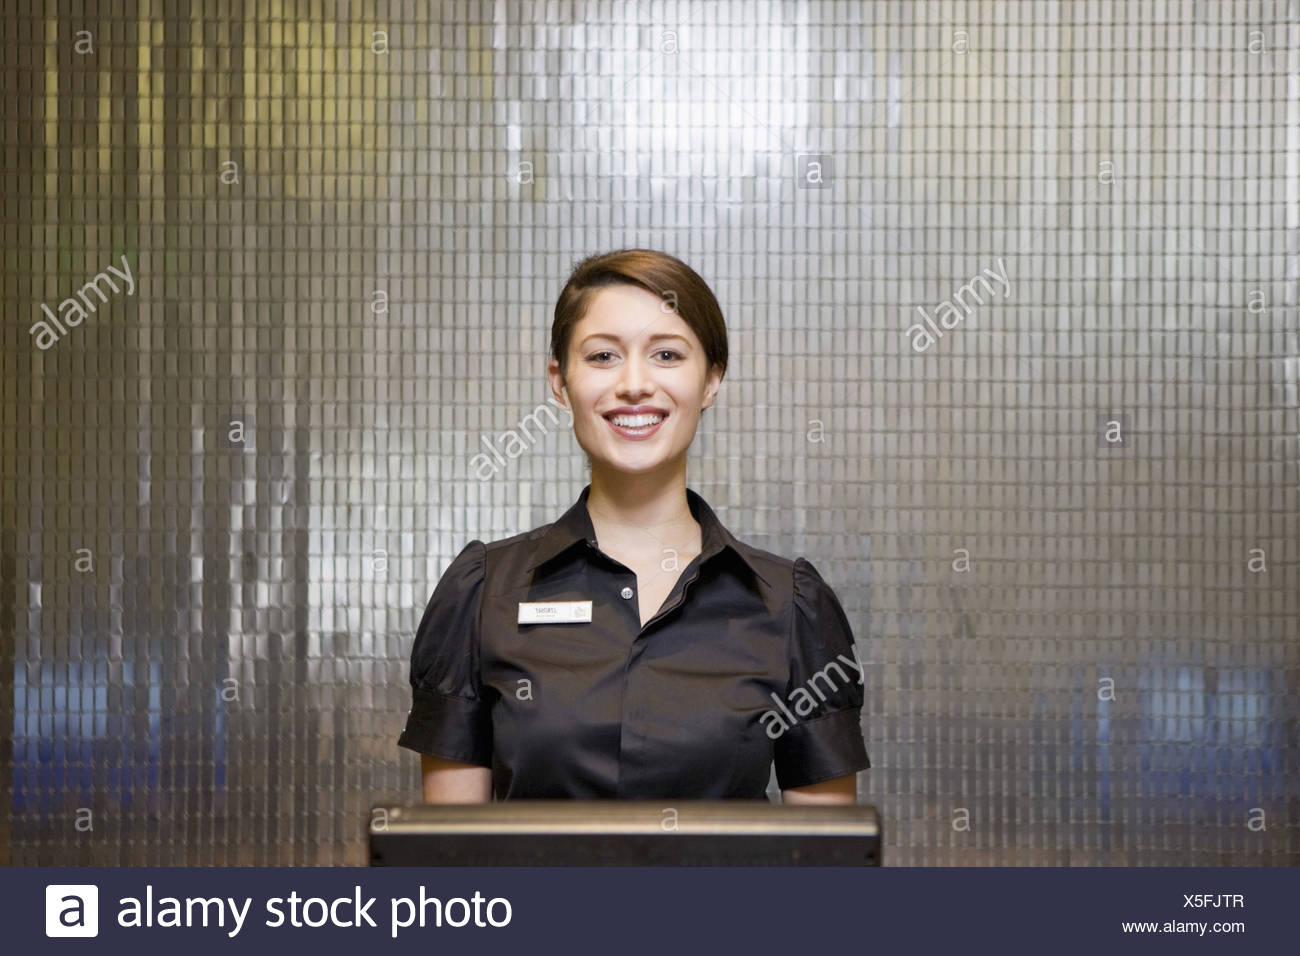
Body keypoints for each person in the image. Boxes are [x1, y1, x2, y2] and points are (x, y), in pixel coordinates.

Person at [398, 248, 870, 803]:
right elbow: (454, 865)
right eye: (602, 356)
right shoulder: (480, 594)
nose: (634, 384)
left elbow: (821, 869)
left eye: (667, 354)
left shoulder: (793, 608)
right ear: (560, 381)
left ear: (711, 381)